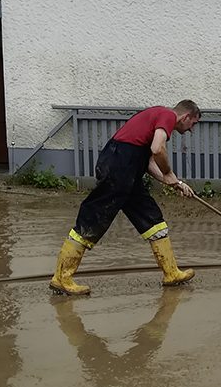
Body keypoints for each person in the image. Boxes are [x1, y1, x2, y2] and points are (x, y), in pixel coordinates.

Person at [50, 99, 201, 296]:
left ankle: (171, 273)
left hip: (128, 171)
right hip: (118, 167)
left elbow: (147, 162)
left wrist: (175, 183)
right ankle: (61, 278)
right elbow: (158, 149)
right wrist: (169, 173)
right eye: (193, 124)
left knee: (152, 218)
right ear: (186, 116)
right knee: (93, 217)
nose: (191, 130)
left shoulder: (155, 118)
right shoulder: (167, 115)